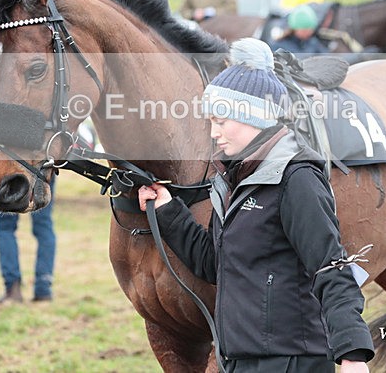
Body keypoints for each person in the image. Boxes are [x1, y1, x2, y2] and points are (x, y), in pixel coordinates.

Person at [138, 38, 374, 372]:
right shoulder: (233, 179)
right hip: (239, 360)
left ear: (254, 116)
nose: (213, 133)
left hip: (292, 361)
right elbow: (214, 262)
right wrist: (167, 209)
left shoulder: (297, 177)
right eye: (210, 122)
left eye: (221, 121)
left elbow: (330, 266)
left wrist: (352, 354)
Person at [0, 177, 56, 304]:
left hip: (10, 167)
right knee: (44, 227)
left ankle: (13, 289)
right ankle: (43, 288)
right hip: (41, 164)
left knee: (5, 227)